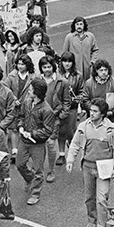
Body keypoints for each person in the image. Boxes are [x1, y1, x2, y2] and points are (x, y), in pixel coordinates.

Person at [66, 98, 114, 227]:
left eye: (95, 111)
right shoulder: (83, 126)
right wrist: (70, 160)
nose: (91, 113)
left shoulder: (111, 129)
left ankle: (101, 225)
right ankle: (92, 220)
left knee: (102, 198)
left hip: (104, 168)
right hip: (87, 166)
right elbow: (75, 144)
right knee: (89, 197)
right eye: (90, 110)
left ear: (103, 114)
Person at [15, 77, 55, 206]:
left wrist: (31, 133)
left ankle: (35, 193)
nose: (28, 91)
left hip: (37, 144)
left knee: (38, 170)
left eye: (31, 89)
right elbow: (21, 116)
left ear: (37, 92)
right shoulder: (27, 102)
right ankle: (29, 178)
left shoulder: (47, 110)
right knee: (20, 164)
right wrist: (20, 126)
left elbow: (47, 131)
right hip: (24, 141)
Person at [38, 55, 70, 183]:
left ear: (53, 67)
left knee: (51, 144)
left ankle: (51, 171)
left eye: (49, 67)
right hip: (39, 118)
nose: (47, 69)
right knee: (39, 146)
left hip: (54, 117)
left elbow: (66, 101)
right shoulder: (37, 80)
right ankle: (39, 171)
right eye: (44, 67)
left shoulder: (62, 82)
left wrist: (61, 116)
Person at [2, 54, 36, 156]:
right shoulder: (12, 75)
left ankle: (25, 150)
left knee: (26, 127)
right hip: (14, 106)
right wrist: (13, 98)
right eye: (18, 64)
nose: (20, 66)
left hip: (27, 105)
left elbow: (34, 90)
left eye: (23, 64)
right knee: (14, 128)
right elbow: (5, 87)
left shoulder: (32, 76)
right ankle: (14, 150)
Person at [56, 52, 85, 166]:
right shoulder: (58, 74)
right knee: (60, 131)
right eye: (64, 61)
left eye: (69, 61)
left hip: (72, 107)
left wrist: (77, 99)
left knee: (70, 130)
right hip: (60, 107)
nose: (67, 64)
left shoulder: (78, 75)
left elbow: (82, 92)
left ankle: (73, 147)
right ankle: (62, 154)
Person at [81, 59, 114, 124]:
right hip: (93, 118)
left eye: (105, 70)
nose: (104, 72)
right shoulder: (89, 83)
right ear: (96, 71)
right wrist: (94, 111)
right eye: (101, 70)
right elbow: (85, 99)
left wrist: (112, 111)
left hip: (109, 118)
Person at [61, 16, 98, 82]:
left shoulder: (90, 36)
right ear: (74, 26)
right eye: (77, 24)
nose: (79, 26)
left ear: (84, 25)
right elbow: (64, 53)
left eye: (81, 24)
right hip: (74, 68)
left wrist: (92, 62)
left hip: (87, 68)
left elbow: (95, 50)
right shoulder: (69, 37)